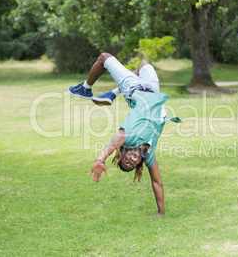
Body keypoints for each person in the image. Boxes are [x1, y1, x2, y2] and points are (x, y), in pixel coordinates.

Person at [68, 53, 181, 218]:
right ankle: (113, 93)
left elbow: (112, 144)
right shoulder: (148, 155)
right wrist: (161, 212)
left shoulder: (127, 137)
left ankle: (85, 88)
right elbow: (157, 182)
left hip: (132, 88)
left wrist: (100, 160)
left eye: (126, 160)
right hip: (152, 88)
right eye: (132, 165)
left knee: (104, 57)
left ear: (122, 152)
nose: (132, 161)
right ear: (139, 164)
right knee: (144, 64)